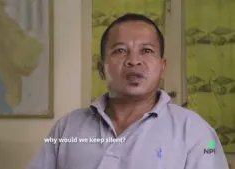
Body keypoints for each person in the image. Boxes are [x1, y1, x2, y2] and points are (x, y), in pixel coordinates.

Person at [27, 13, 229, 169]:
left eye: (147, 50)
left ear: (162, 67)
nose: (134, 60)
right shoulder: (68, 127)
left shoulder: (195, 132)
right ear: (101, 69)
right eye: (120, 51)